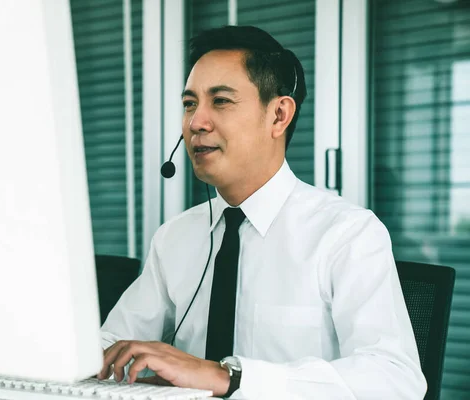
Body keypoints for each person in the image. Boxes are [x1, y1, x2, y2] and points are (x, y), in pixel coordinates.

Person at [97, 26, 427, 399]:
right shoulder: (176, 236)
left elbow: (395, 379)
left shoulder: (347, 233)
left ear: (279, 115)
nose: (195, 123)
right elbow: (114, 341)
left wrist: (228, 377)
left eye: (220, 101)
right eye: (190, 103)